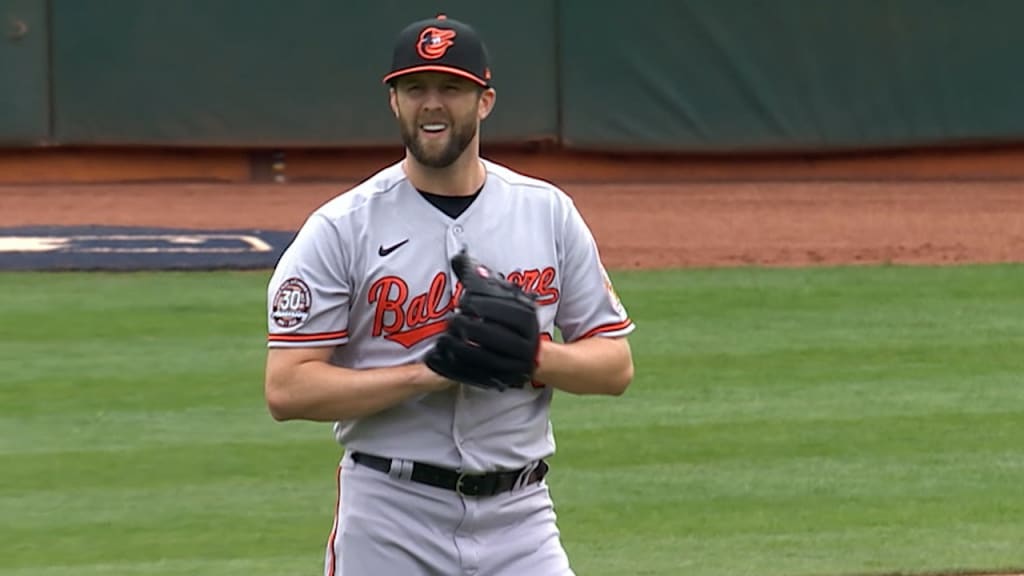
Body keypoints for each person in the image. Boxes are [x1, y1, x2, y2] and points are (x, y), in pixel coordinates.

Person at [264, 13, 636, 576]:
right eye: (415, 89)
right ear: (394, 102)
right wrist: (429, 372)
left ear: (484, 101)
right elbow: (287, 389)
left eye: (452, 88)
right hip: (390, 517)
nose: (432, 104)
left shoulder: (546, 212)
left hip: (522, 520)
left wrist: (533, 355)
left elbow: (614, 366)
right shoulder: (342, 227)